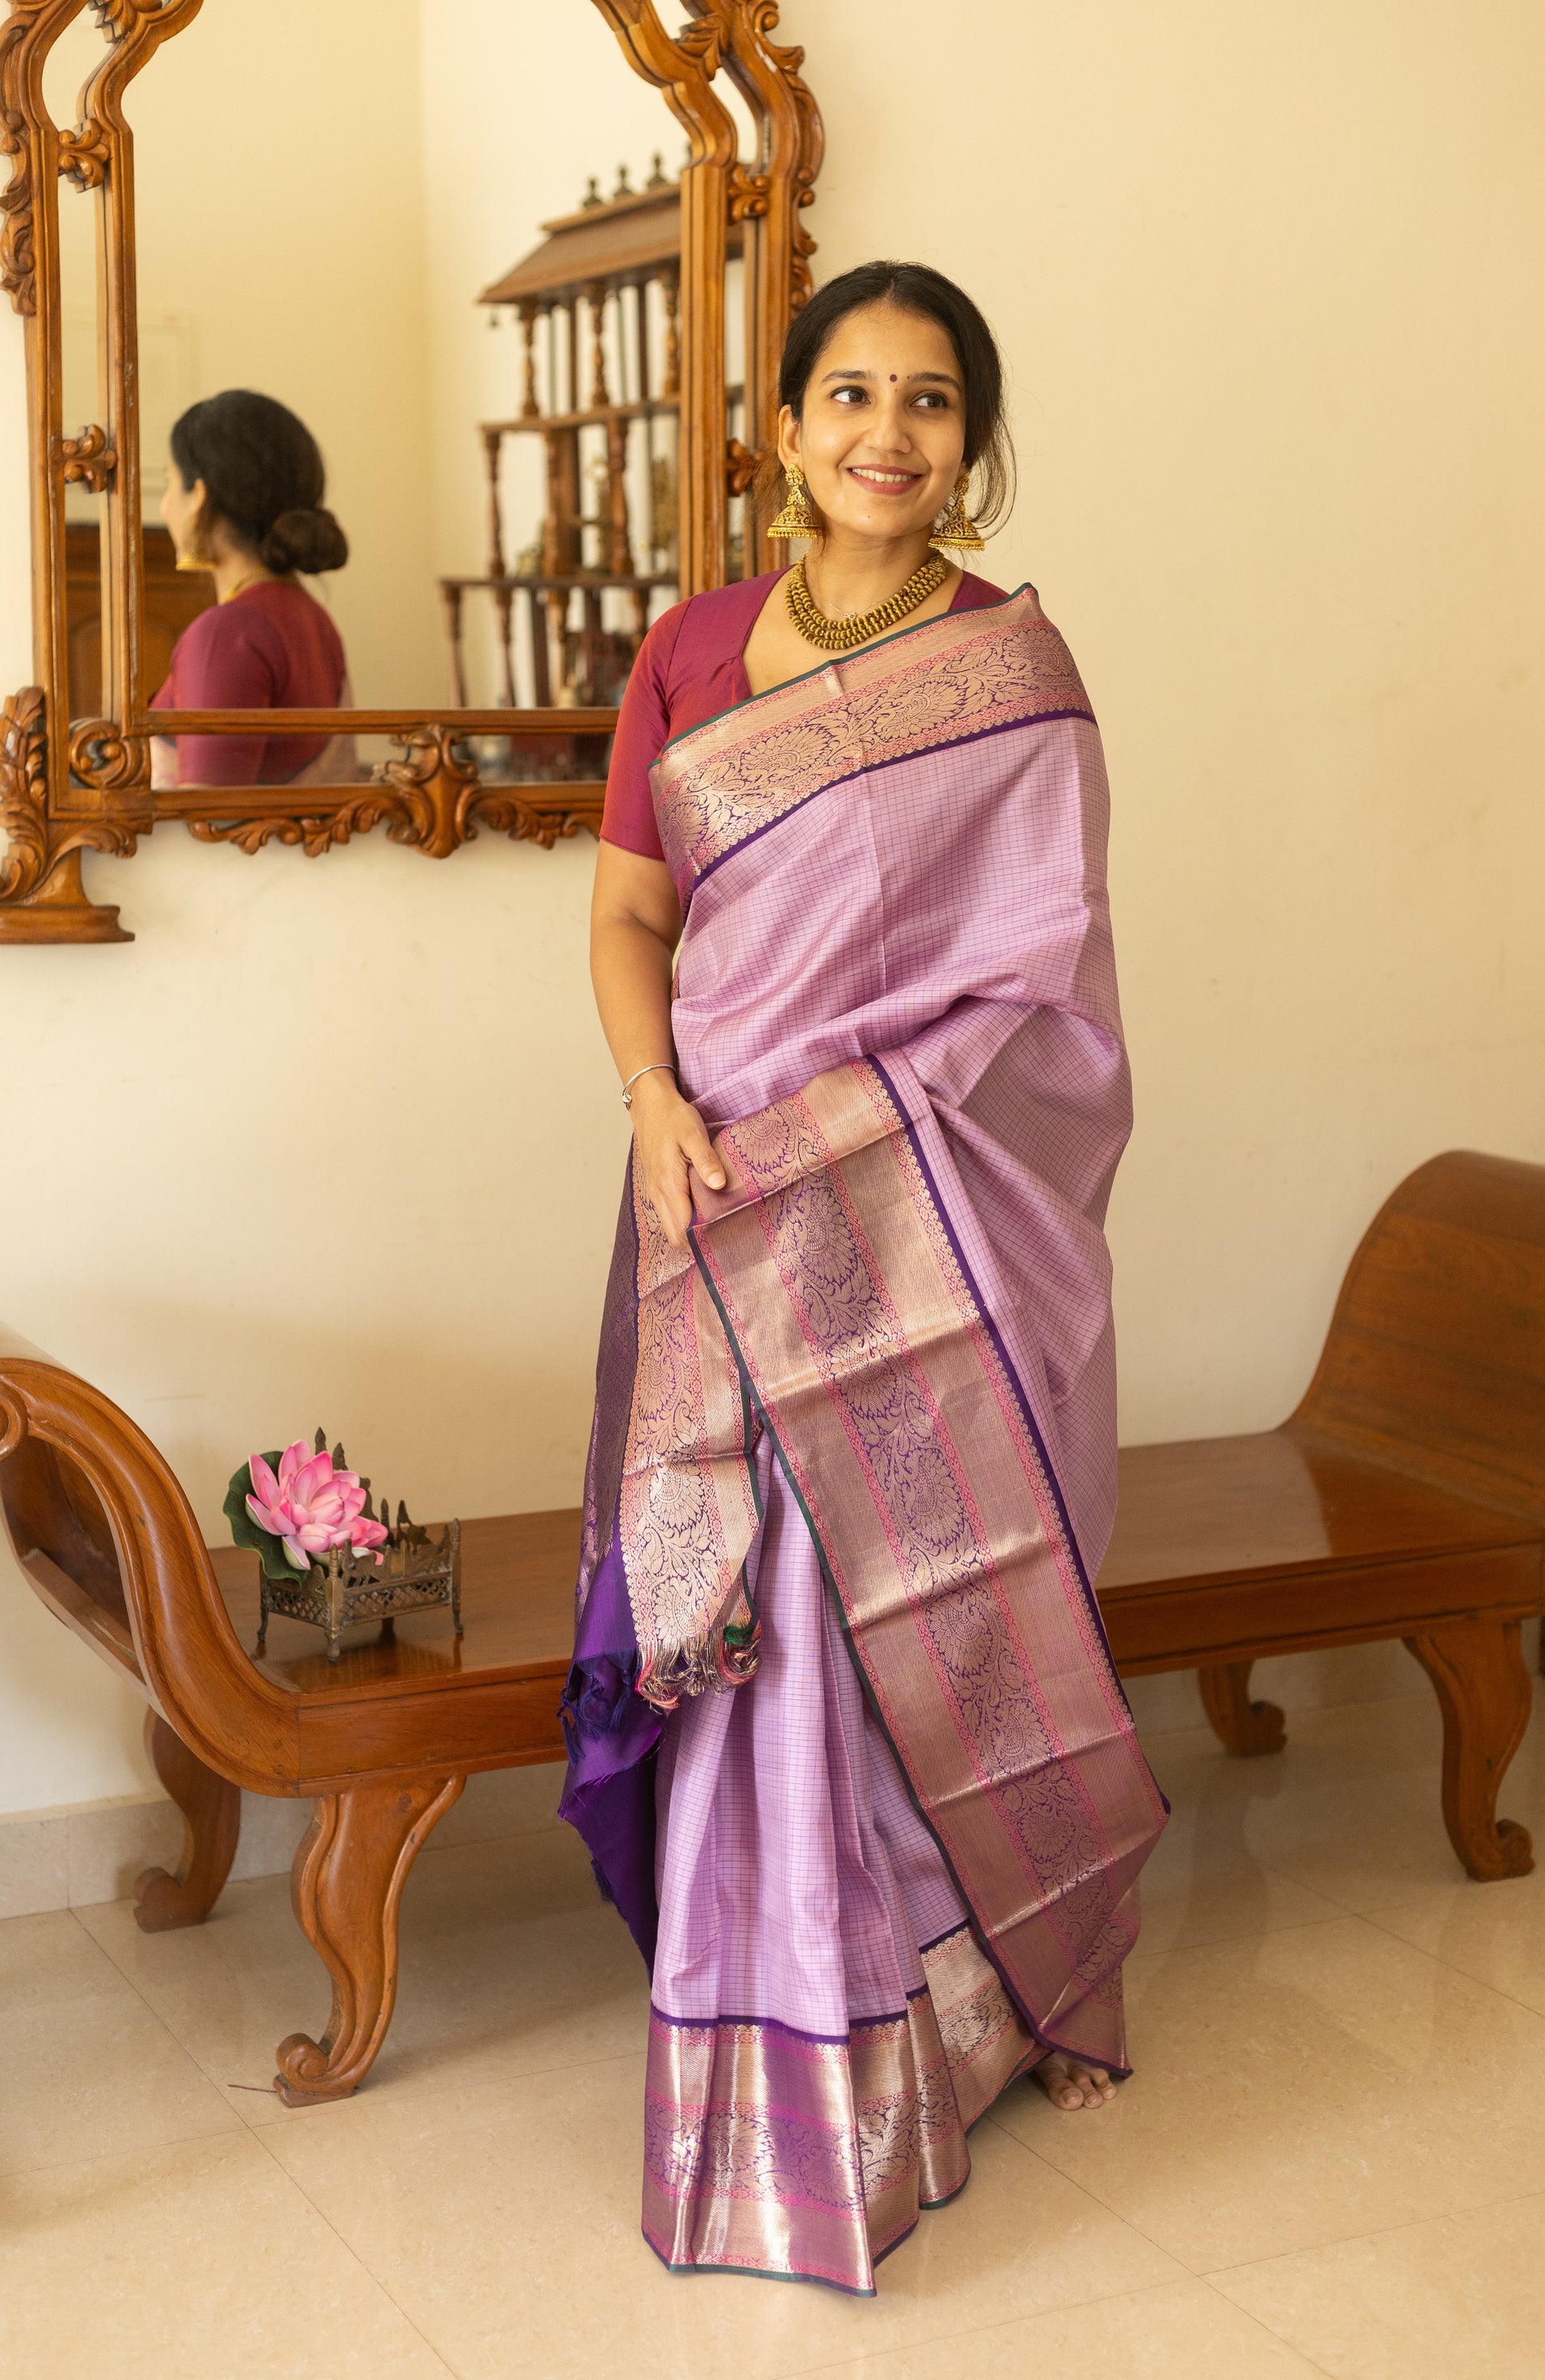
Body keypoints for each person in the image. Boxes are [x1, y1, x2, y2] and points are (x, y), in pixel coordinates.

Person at [562, 260, 1168, 2295]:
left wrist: (849, 1132)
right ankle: (790, 2050)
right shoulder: (695, 654)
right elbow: (633, 912)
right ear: (789, 429)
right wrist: (655, 1102)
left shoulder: (1011, 670)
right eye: (849, 396)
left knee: (934, 1611)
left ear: (969, 439)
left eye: (926, 402)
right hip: (715, 1202)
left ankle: (993, 1991)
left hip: (928, 1225)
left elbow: (1033, 982)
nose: (885, 435)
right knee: (770, 1643)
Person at [152, 389, 355, 788]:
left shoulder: (229, 634)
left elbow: (205, 828)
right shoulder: (314, 618)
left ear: (199, 497)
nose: (164, 505)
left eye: (170, 482)